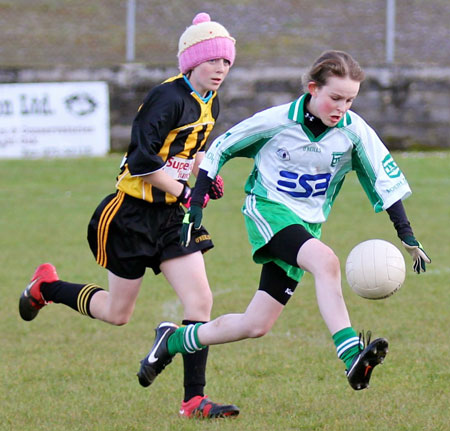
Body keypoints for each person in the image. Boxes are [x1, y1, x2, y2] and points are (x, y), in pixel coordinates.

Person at [138, 50, 431, 394]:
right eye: (335, 97)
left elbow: (385, 178)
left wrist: (406, 234)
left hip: (307, 226)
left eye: (350, 100)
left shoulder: (353, 131)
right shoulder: (277, 121)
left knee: (256, 324)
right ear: (312, 89)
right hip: (269, 212)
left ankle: (171, 341)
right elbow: (220, 148)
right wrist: (198, 201)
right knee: (326, 262)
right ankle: (351, 352)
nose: (341, 108)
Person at [19, 12, 240, 419]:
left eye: (226, 62)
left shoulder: (212, 99)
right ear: (191, 61)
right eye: (213, 61)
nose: (221, 69)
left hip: (173, 218)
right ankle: (47, 288)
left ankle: (194, 400)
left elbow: (190, 153)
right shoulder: (167, 98)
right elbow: (141, 162)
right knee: (117, 314)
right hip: (130, 217)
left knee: (200, 300)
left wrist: (205, 176)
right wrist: (187, 189)